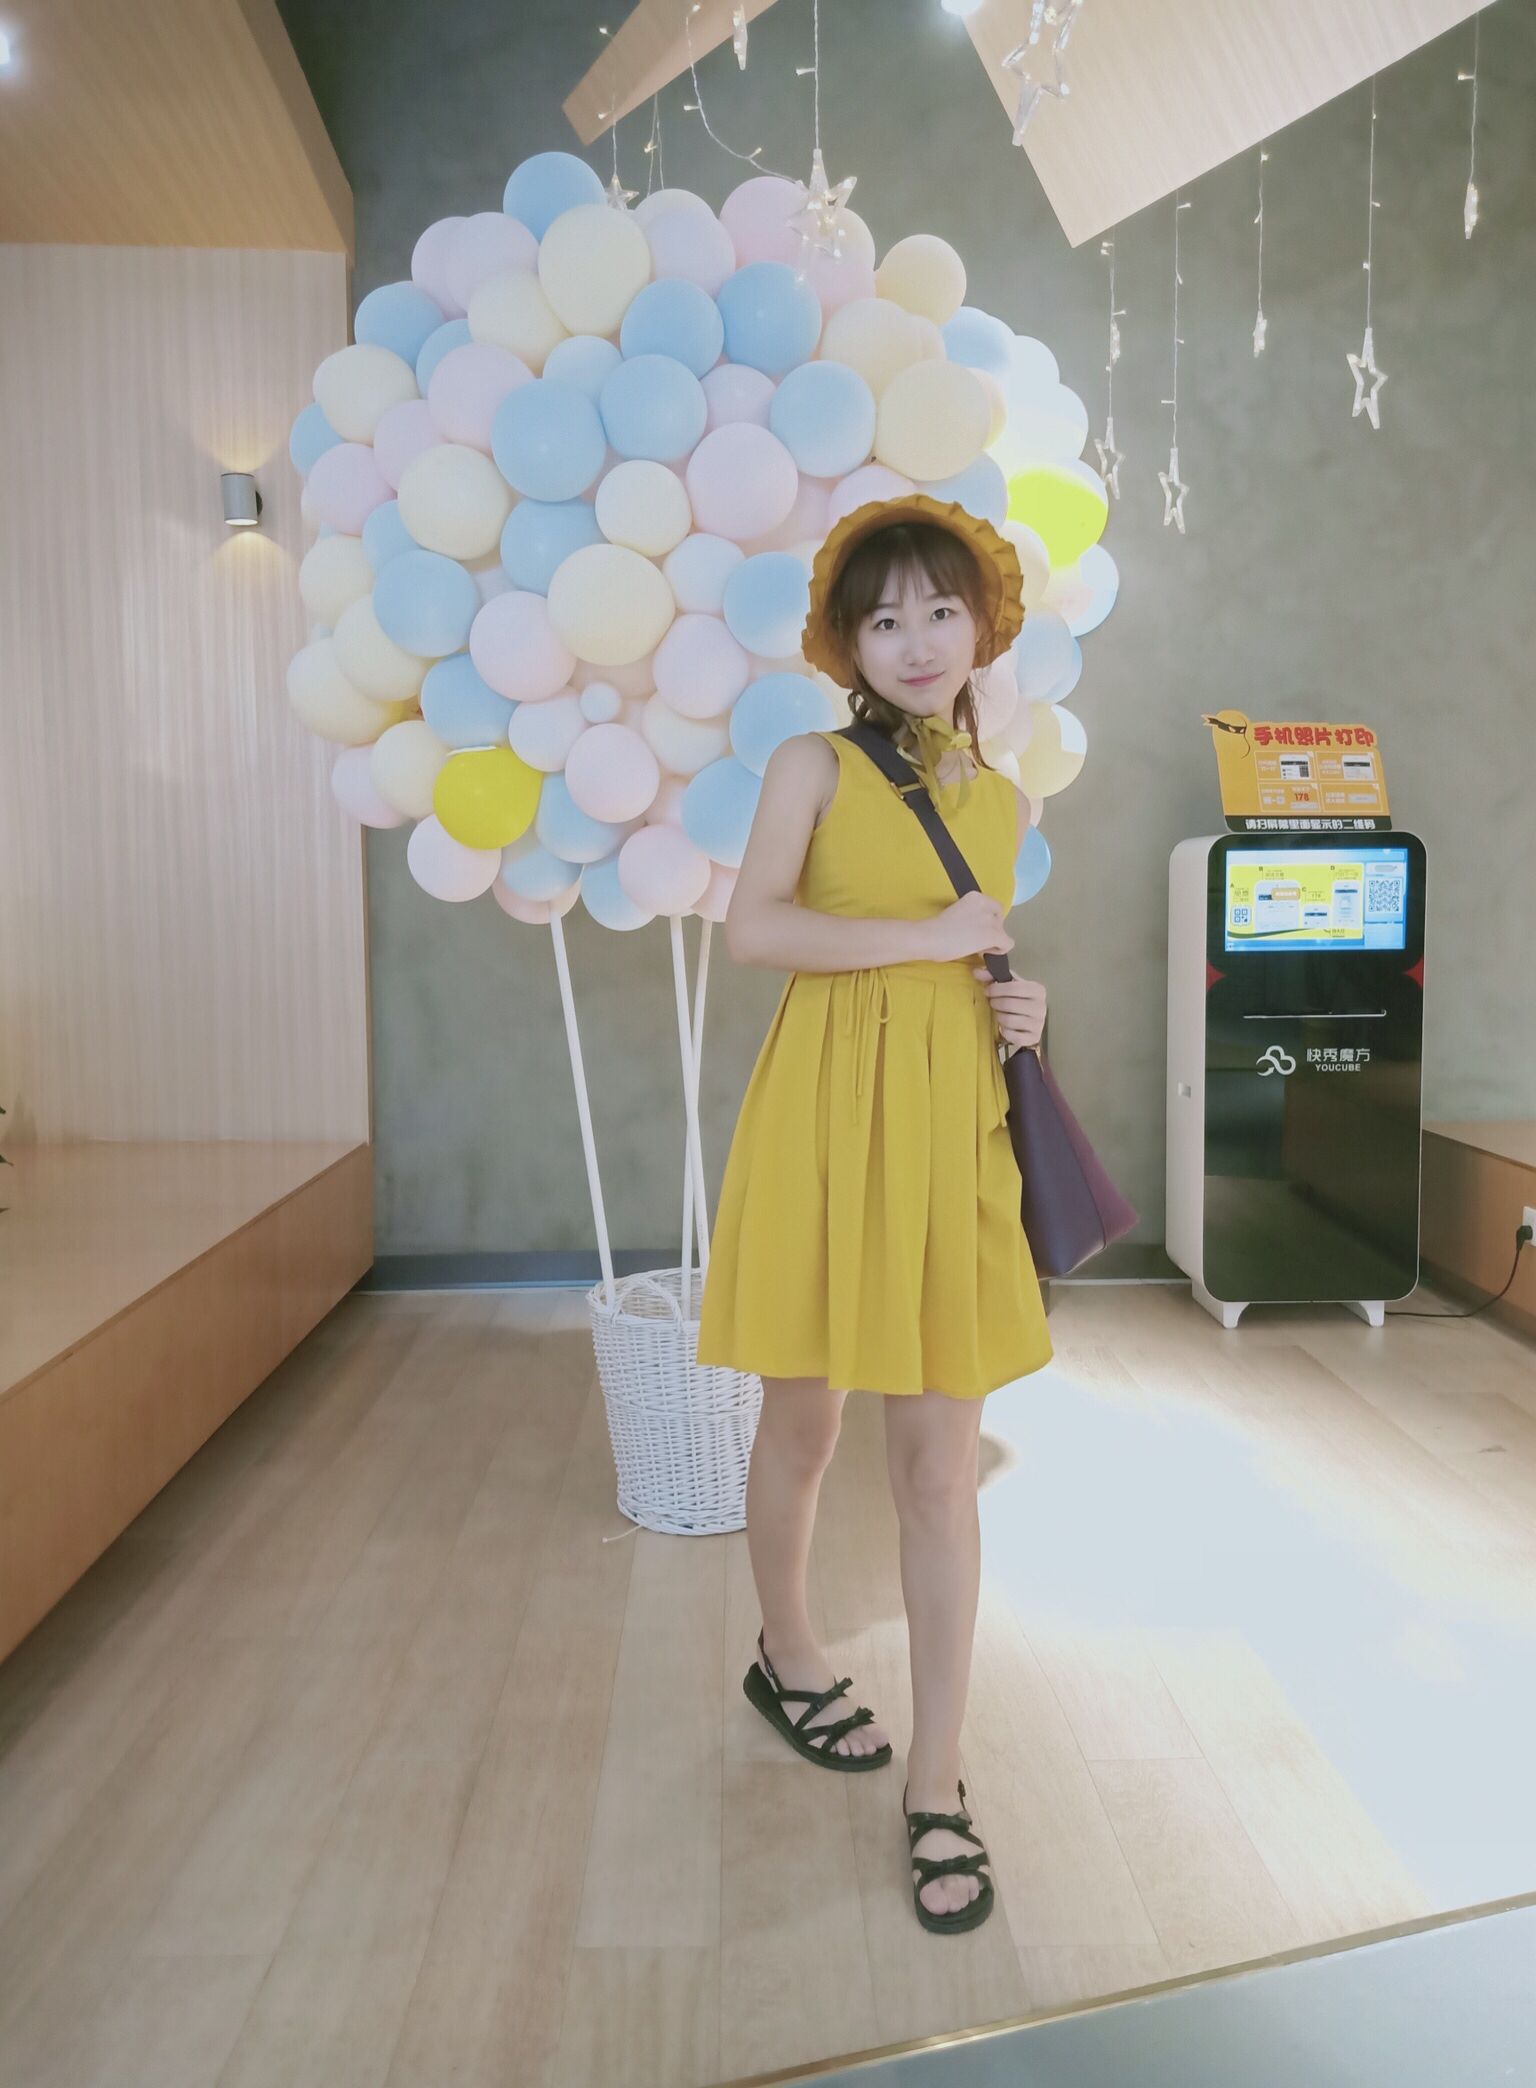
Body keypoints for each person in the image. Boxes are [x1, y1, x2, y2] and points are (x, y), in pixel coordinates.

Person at [694, 495, 1053, 1935]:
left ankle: (939, 1779)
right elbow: (755, 929)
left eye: (941, 611)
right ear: (847, 641)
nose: (915, 640)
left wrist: (1019, 1006)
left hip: (950, 1129)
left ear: (983, 628)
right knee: (805, 1426)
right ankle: (788, 1655)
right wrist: (927, 940)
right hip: (826, 1122)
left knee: (938, 1472)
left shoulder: (1005, 801)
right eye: (885, 616)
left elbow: (974, 959)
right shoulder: (812, 766)